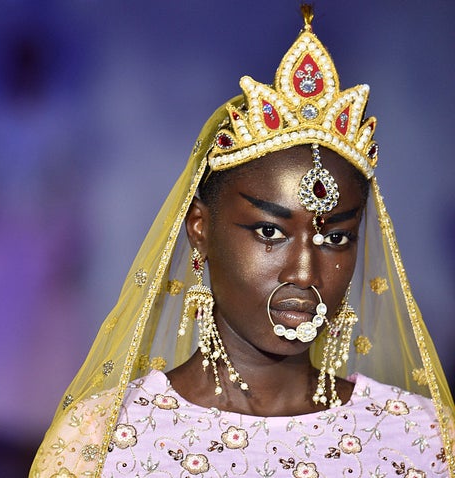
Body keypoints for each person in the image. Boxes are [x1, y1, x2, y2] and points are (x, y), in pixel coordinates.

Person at [31, 6, 454, 477]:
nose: (304, 272)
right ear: (199, 228)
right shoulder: (101, 441)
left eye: (335, 237)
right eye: (270, 232)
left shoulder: (419, 438)